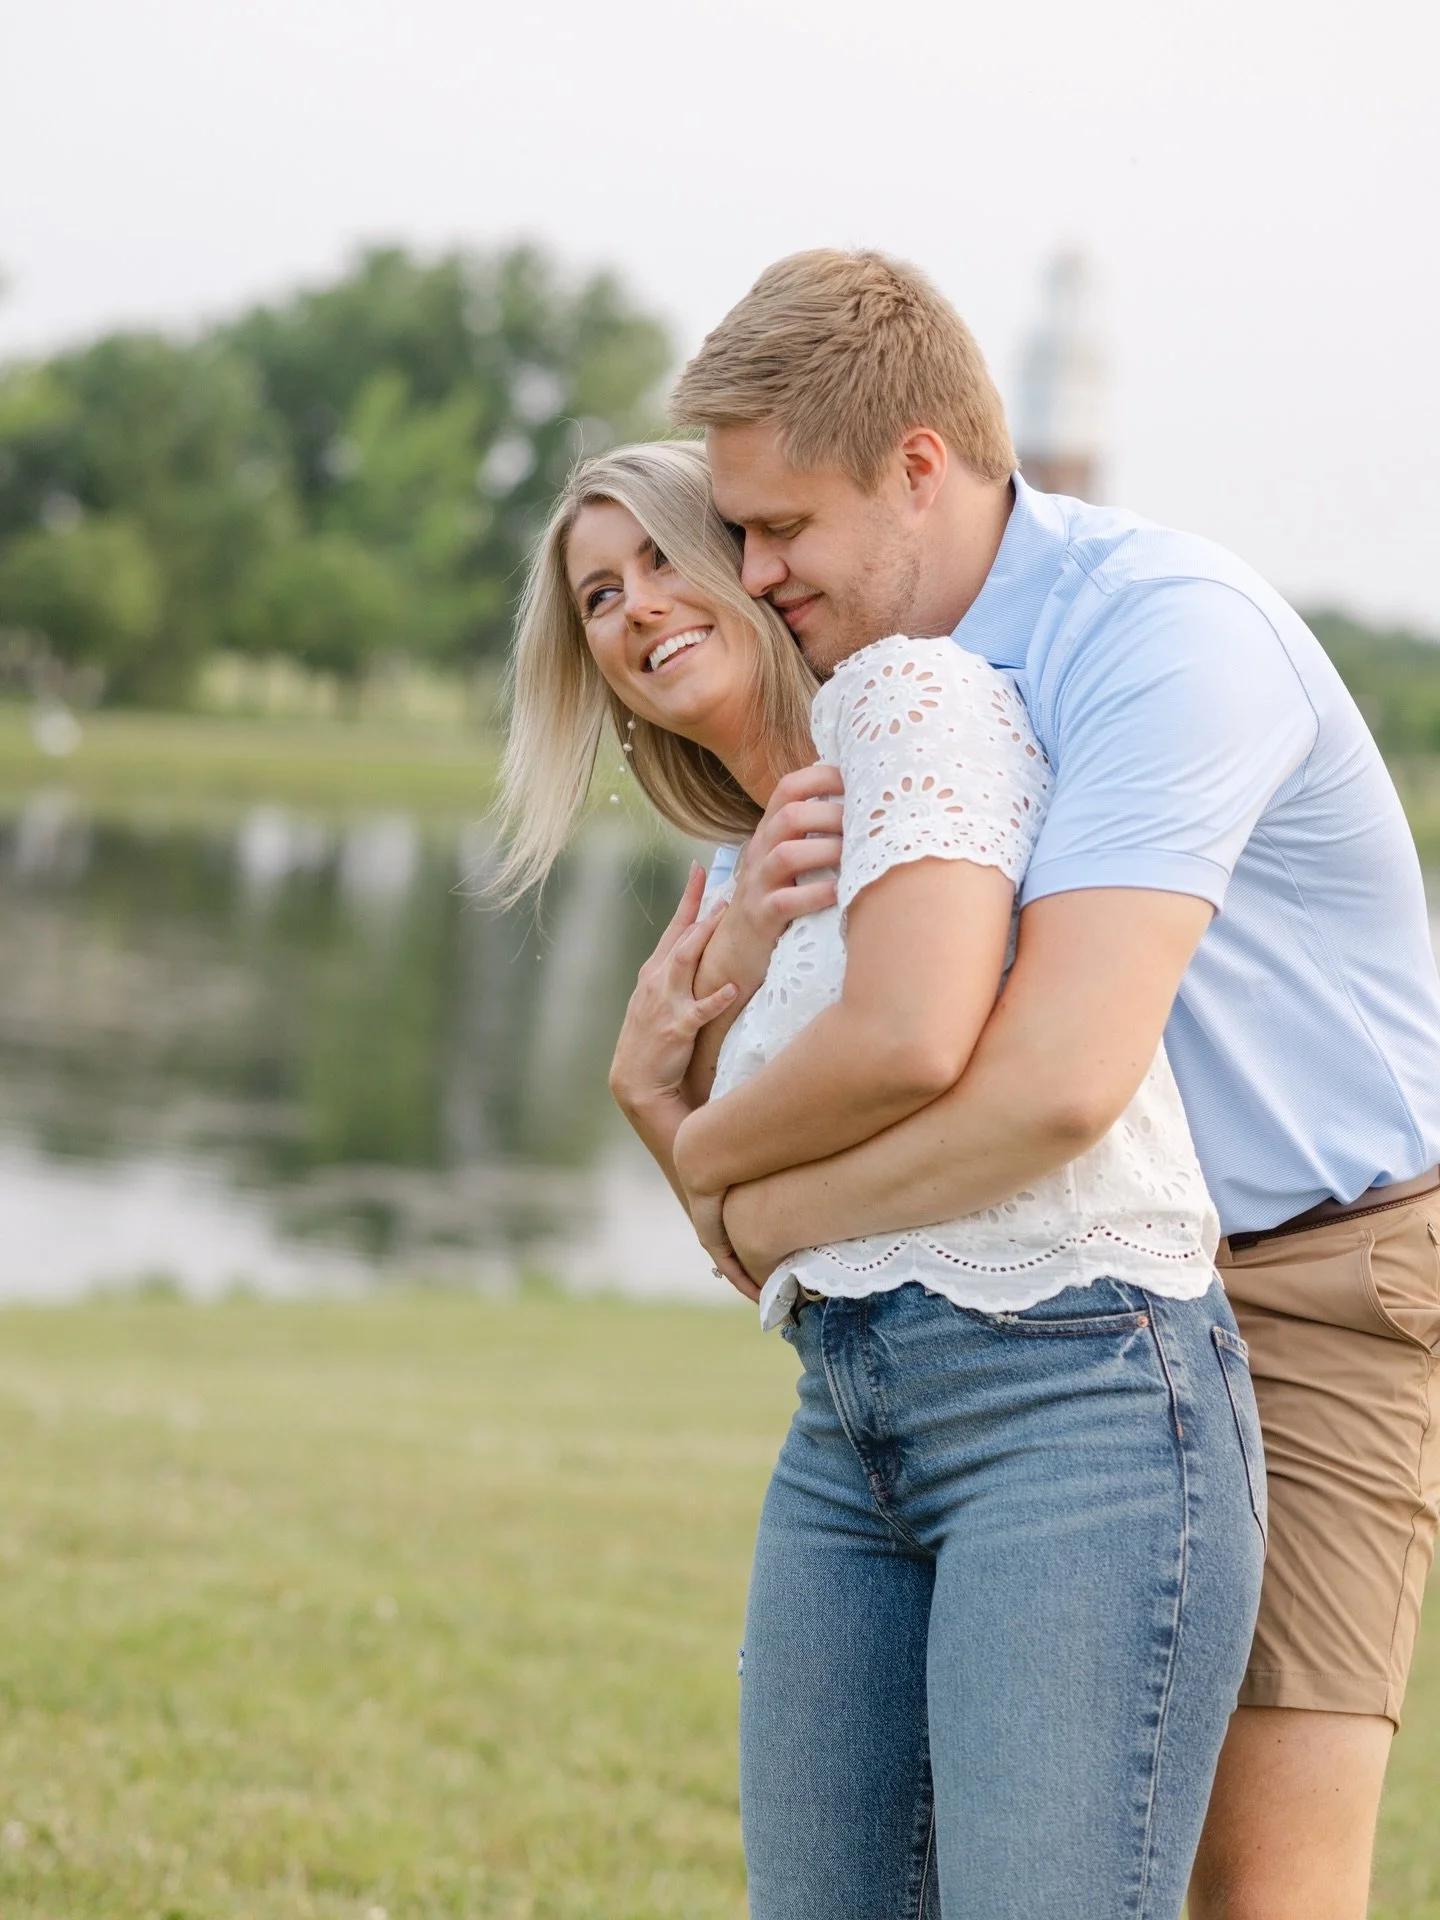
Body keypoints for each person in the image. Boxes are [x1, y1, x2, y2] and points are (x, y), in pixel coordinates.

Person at [660, 247, 1440, 1920]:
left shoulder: (1165, 638)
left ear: (920, 467)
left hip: (1313, 1269)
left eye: (780, 526)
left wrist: (740, 1199)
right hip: (1057, 1293)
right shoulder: (898, 681)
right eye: (735, 533)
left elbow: (1054, 1084)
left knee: (1262, 1886)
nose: (753, 568)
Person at [495, 437, 1265, 1919]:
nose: (637, 608)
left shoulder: (911, 703)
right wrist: (666, 1066)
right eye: (598, 595)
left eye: (665, 555)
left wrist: (681, 1122)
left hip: (1078, 1394)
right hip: (847, 1418)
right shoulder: (726, 883)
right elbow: (753, 1256)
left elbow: (903, 1050)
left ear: (748, 560)